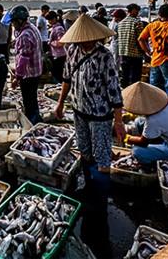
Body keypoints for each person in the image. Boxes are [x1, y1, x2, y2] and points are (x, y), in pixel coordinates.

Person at [53, 14, 124, 258]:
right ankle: (89, 186)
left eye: (87, 39)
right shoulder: (72, 52)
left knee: (103, 156)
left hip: (101, 113)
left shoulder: (105, 56)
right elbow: (66, 79)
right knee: (84, 150)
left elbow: (114, 90)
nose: (84, 42)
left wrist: (119, 122)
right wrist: (61, 104)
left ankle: (100, 201)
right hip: (79, 110)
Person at [138, 4, 168, 98]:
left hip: (155, 59)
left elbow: (141, 39)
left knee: (155, 86)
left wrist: (148, 51)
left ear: (159, 14)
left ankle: (155, 106)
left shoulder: (152, 25)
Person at [9, 5, 42, 124]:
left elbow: (24, 59)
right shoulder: (32, 28)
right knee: (33, 100)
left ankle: (32, 124)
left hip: (29, 74)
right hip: (36, 72)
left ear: (19, 20)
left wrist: (17, 77)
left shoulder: (24, 35)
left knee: (28, 102)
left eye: (13, 22)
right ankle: (37, 120)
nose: (12, 25)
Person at [117, 3, 146, 88]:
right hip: (135, 54)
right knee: (135, 77)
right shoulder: (137, 22)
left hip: (123, 53)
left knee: (125, 75)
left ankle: (125, 93)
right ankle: (134, 94)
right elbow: (140, 39)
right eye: (137, 10)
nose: (138, 13)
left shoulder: (121, 23)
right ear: (132, 10)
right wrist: (144, 52)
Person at [47, 11, 67, 83]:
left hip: (60, 55)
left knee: (58, 74)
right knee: (56, 73)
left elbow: (61, 42)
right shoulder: (54, 28)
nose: (50, 21)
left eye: (51, 19)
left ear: (55, 18)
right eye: (49, 20)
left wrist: (51, 42)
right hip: (56, 54)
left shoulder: (59, 28)